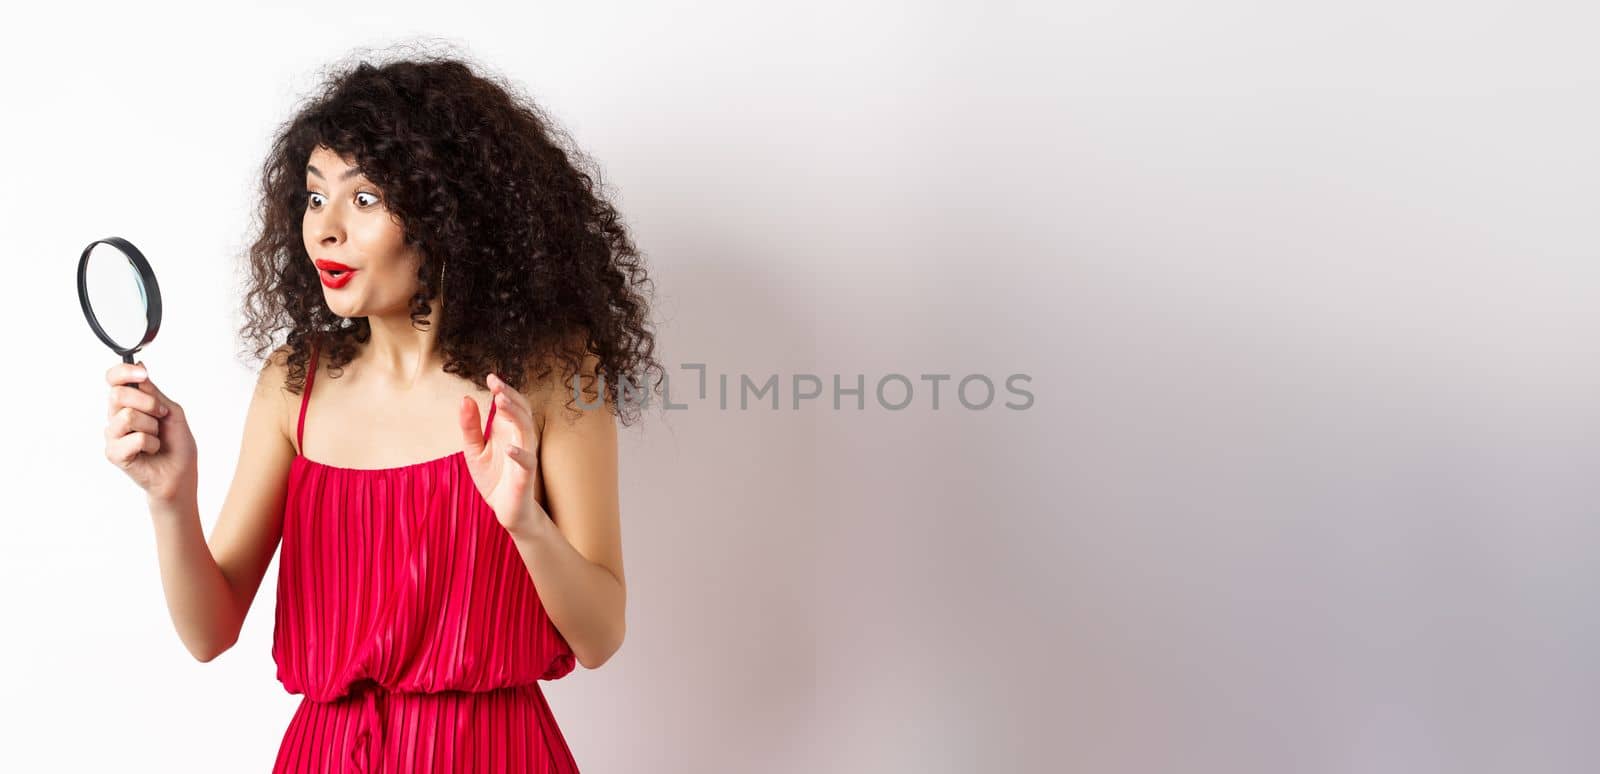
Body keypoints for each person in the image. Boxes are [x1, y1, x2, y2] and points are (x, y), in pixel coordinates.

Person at [100, 52, 660, 772]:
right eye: (313, 197)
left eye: (363, 199)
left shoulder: (552, 375)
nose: (324, 230)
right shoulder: (292, 386)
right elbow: (209, 633)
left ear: (448, 212)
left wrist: (526, 523)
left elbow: (600, 634)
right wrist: (170, 498)